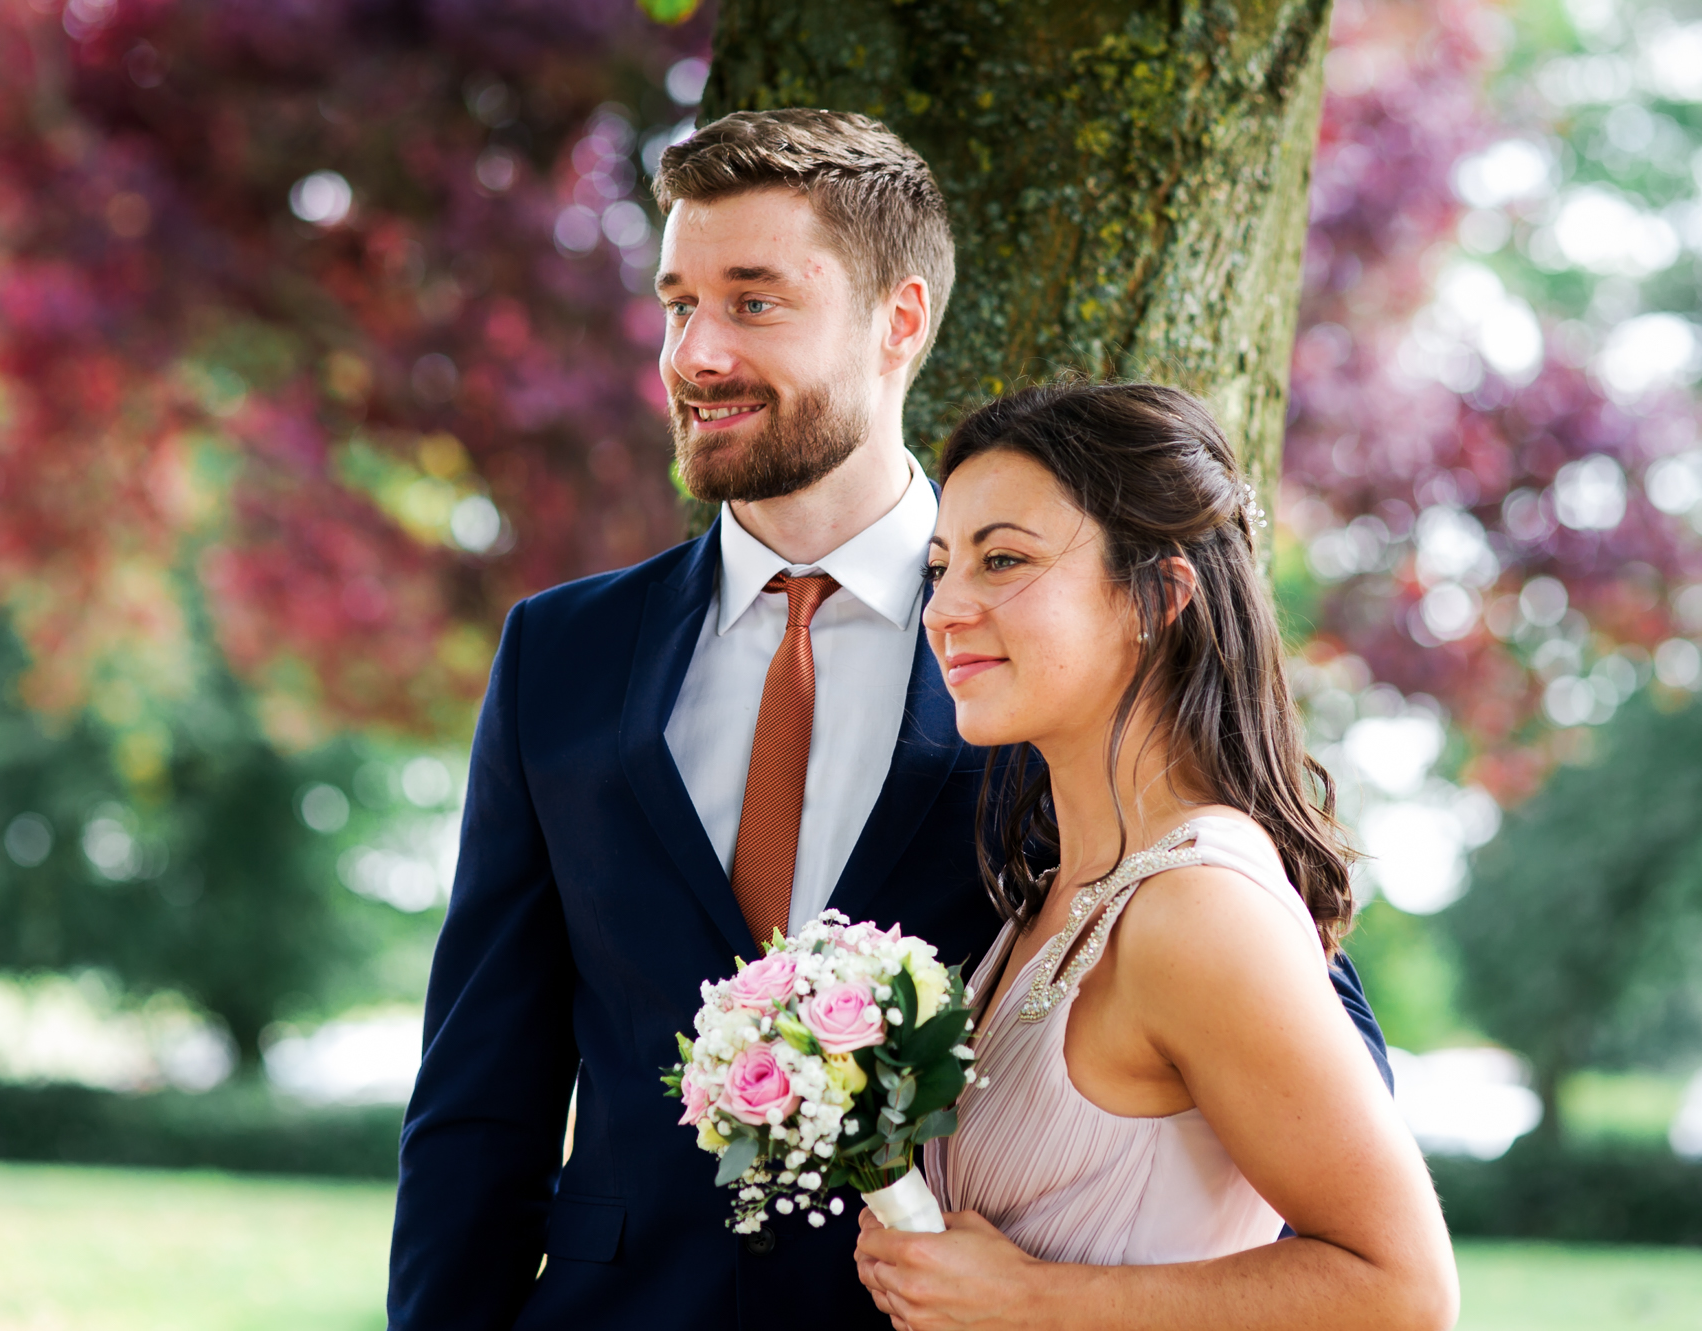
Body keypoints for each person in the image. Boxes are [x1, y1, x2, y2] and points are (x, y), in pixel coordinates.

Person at [388, 108, 1388, 1331]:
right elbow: (481, 1087)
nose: (694, 352)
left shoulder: (1041, 642)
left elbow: (1308, 1080)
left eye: (754, 300)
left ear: (897, 322)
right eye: (675, 302)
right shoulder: (562, 654)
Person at [853, 382, 1457, 1331]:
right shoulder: (1048, 897)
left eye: (1002, 559)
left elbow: (1404, 1291)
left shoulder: (1197, 907)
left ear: (1158, 597)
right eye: (939, 567)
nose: (945, 609)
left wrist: (1032, 1301)